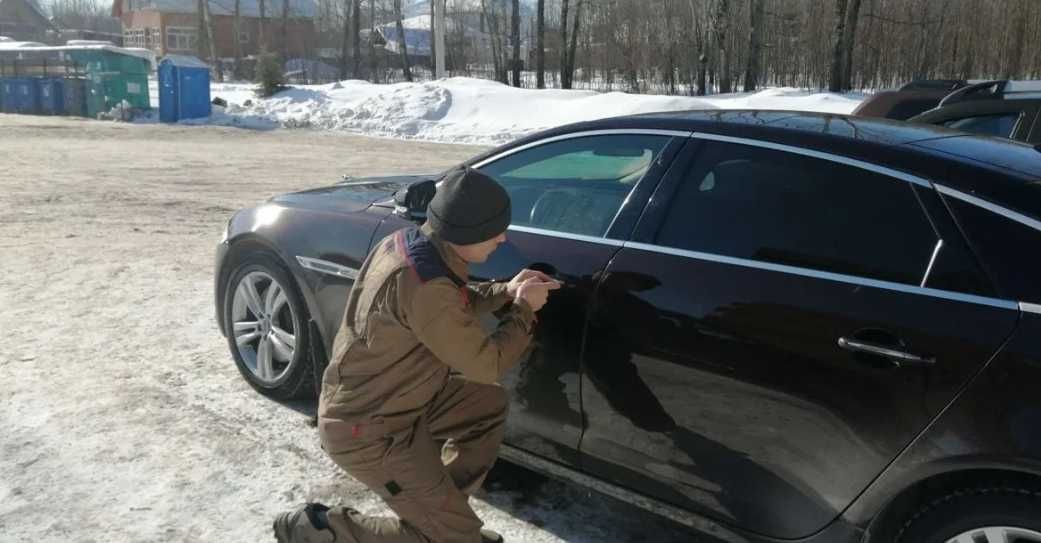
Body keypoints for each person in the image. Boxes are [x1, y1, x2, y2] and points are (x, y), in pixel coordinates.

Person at [274, 165, 560, 543]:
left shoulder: (412, 246)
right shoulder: (427, 284)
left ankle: (441, 518)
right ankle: (318, 530)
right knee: (452, 537)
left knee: (485, 407)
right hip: (370, 430)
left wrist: (506, 290)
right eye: (495, 230)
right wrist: (524, 310)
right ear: (466, 232)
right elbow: (486, 363)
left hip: (401, 399)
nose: (503, 238)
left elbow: (449, 307)